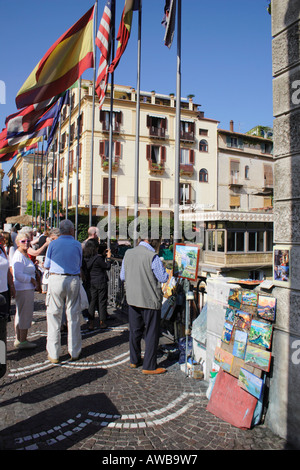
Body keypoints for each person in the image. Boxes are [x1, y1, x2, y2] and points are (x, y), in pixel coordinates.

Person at [120, 236, 169, 375]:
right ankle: (149, 365)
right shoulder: (152, 256)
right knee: (152, 333)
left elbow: (123, 276)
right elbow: (163, 278)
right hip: (149, 299)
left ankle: (134, 360)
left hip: (132, 298)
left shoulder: (128, 253)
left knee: (135, 331)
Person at [44, 219, 82, 363]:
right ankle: (74, 351)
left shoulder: (53, 244)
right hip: (73, 278)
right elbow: (79, 263)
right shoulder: (77, 244)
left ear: (60, 230)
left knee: (53, 315)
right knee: (73, 315)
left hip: (56, 278)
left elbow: (47, 264)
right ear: (72, 230)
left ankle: (54, 353)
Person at [12, 232, 38, 349]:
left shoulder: (24, 254)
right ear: (18, 243)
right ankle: (22, 340)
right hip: (24, 288)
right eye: (23, 241)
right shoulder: (18, 255)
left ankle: (19, 338)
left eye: (27, 240)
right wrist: (31, 279)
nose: (26, 243)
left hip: (25, 287)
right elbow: (17, 274)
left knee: (21, 313)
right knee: (25, 314)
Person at [83, 239, 112, 330]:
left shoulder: (85, 258)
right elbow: (107, 267)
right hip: (100, 281)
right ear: (95, 248)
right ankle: (102, 322)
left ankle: (91, 323)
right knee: (102, 302)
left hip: (90, 282)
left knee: (91, 303)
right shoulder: (98, 258)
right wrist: (108, 258)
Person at [0, 232, 15, 321]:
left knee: (4, 319)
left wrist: (12, 286)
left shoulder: (2, 249)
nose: (2, 237)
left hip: (4, 289)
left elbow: (8, 269)